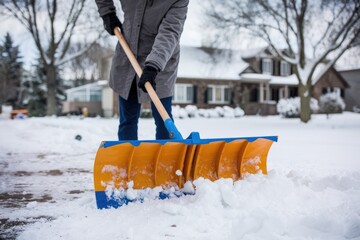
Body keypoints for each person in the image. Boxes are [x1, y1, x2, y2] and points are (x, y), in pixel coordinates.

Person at [95, 0, 189, 140]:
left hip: (162, 60)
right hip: (129, 55)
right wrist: (107, 12)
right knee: (128, 119)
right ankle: (127, 158)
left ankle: (166, 158)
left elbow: (170, 32)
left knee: (163, 119)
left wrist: (153, 65)